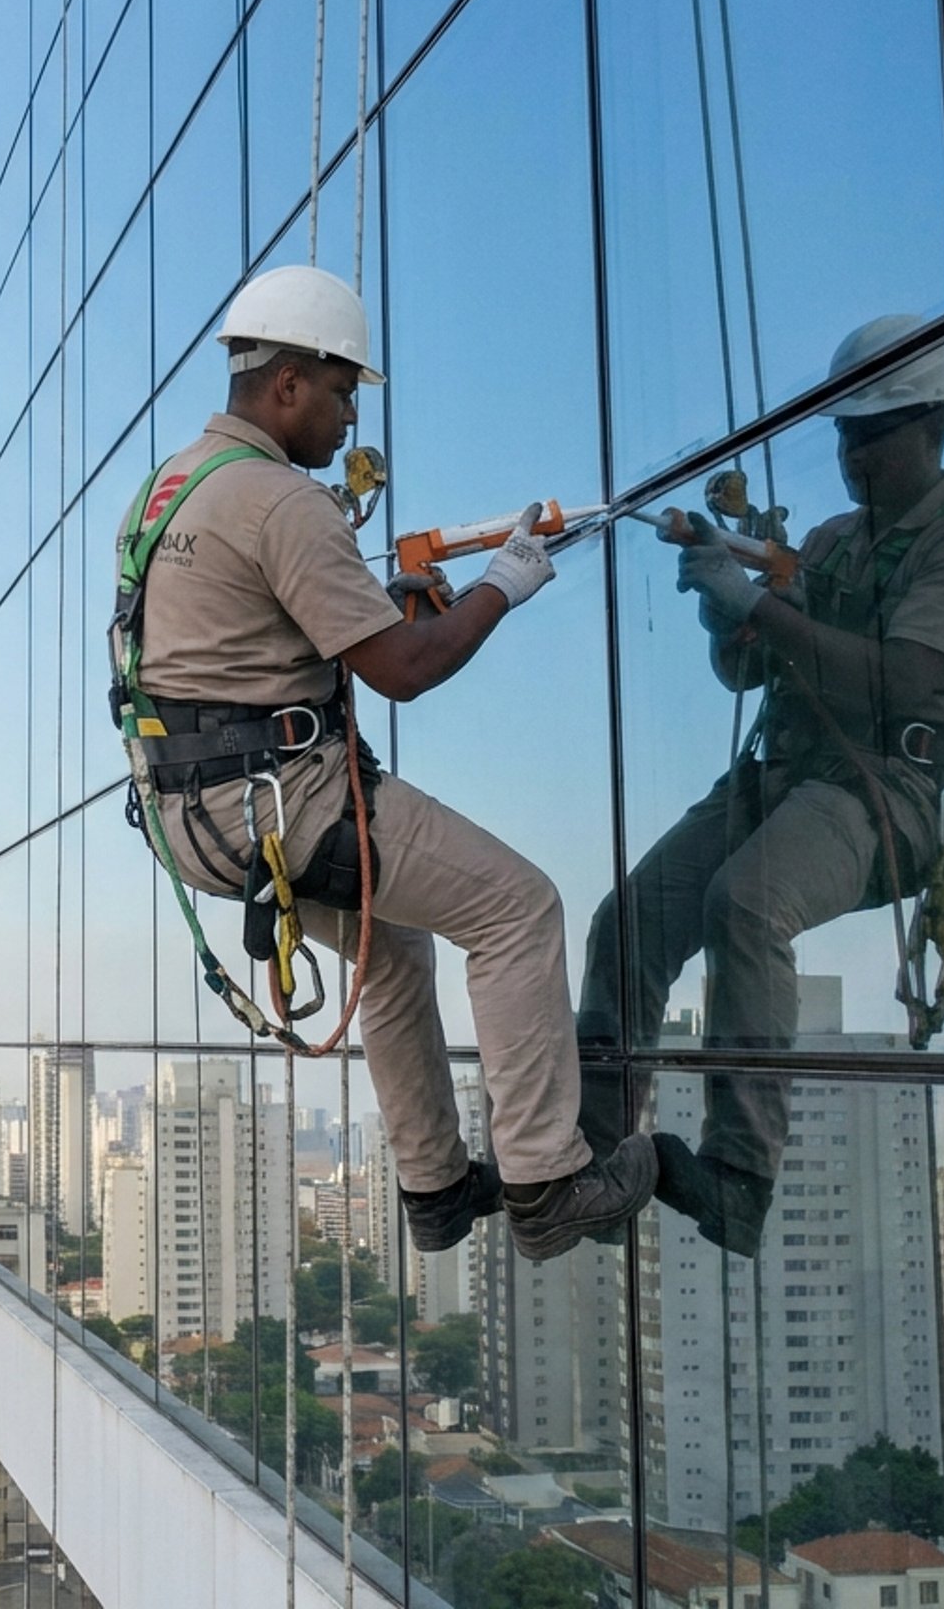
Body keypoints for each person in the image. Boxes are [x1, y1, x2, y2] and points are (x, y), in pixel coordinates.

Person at [116, 264, 656, 1263]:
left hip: (188, 815)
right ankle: (546, 1178)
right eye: (341, 391)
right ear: (287, 383)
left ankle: (436, 1188)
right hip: (281, 805)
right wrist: (505, 584)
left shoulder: (173, 488)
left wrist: (383, 591)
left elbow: (249, 634)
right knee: (516, 905)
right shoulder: (282, 501)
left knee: (394, 945)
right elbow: (404, 671)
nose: (349, 419)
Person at [577, 314, 944, 1257]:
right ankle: (593, 1157)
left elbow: (896, 680)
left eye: (872, 432)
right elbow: (747, 676)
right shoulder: (827, 542)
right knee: (629, 920)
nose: (854, 453)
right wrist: (725, 616)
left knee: (747, 901)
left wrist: (758, 608)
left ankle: (739, 1176)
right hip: (786, 774)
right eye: (845, 434)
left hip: (894, 792)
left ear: (934, 424)